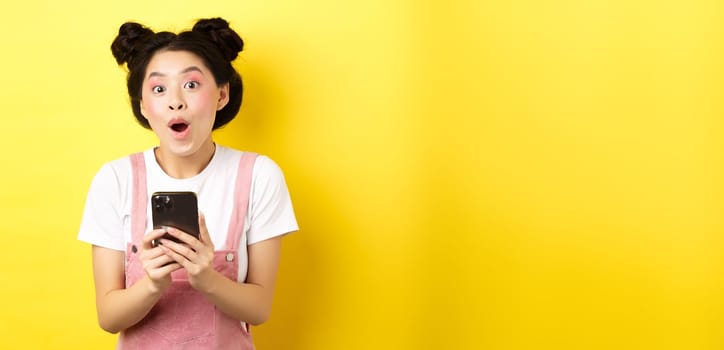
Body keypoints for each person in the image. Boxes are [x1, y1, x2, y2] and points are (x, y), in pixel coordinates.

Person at [77, 17, 298, 349]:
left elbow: (259, 309)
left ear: (222, 94)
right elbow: (108, 317)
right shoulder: (115, 180)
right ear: (143, 105)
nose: (175, 101)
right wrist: (152, 284)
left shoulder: (258, 176)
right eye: (158, 88)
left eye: (191, 85)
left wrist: (206, 278)